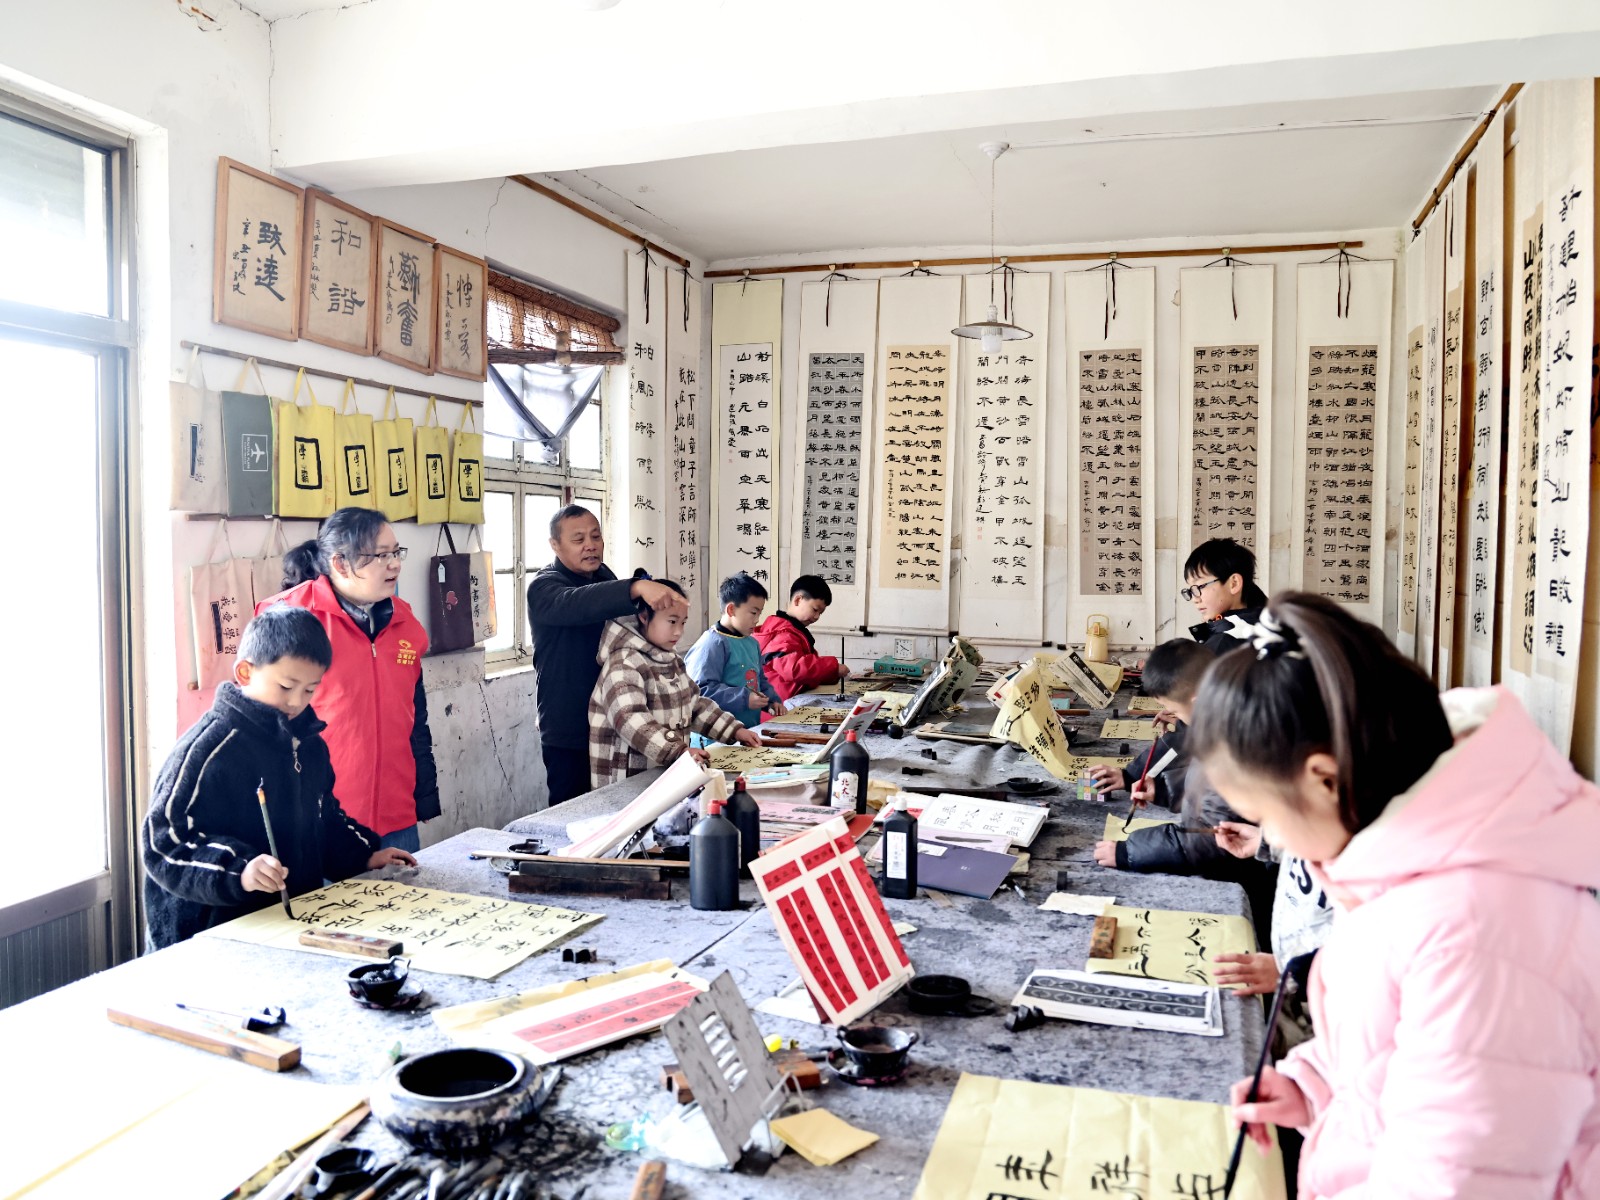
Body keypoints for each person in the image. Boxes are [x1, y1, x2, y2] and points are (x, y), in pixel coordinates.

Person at [1192, 594, 1600, 1195]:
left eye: (1267, 815)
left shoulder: (1473, 931)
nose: (1271, 838)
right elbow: (1395, 1044)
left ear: (1325, 779)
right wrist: (1313, 1086)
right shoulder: (1408, 865)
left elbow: (1453, 1180)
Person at [142, 608, 416, 949]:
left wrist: (363, 855)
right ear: (245, 672)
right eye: (286, 686)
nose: (296, 702)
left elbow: (325, 819)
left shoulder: (309, 744)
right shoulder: (209, 748)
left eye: (310, 690)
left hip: (288, 926)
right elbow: (164, 842)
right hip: (207, 939)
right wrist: (239, 870)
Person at [262, 508, 437, 853]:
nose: (395, 565)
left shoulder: (405, 622)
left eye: (396, 552)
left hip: (397, 816)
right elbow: (265, 725)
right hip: (319, 820)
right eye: (381, 555)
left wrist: (425, 794)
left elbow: (415, 718)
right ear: (340, 563)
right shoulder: (291, 619)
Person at [527, 506, 688, 806]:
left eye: (596, 536)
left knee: (617, 808)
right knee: (573, 811)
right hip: (569, 726)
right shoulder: (544, 586)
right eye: (578, 539)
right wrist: (636, 586)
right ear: (555, 545)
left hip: (612, 721)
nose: (590, 545)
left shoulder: (603, 576)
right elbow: (578, 604)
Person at [588, 579, 763, 787]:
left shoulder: (671, 660)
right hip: (625, 783)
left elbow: (694, 706)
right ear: (644, 616)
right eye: (672, 621)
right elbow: (630, 720)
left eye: (683, 622)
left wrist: (734, 730)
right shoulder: (624, 663)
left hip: (663, 776)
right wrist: (678, 751)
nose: (679, 631)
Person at [684, 572, 786, 727]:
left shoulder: (752, 643)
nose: (757, 620)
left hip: (749, 730)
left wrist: (772, 702)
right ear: (731, 610)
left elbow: (760, 680)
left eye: (759, 613)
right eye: (753, 613)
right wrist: (744, 698)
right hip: (716, 735)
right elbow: (700, 691)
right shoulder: (712, 643)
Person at [753, 574, 850, 699]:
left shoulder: (793, 631)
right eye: (815, 609)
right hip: (780, 705)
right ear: (798, 600)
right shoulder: (782, 634)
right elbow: (794, 669)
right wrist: (833, 668)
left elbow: (807, 670)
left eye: (820, 613)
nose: (817, 617)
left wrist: (832, 674)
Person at [1183, 537, 1268, 655]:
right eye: (1191, 591)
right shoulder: (1276, 629)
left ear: (1234, 583)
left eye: (1200, 586)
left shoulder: (1223, 644)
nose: (1195, 599)